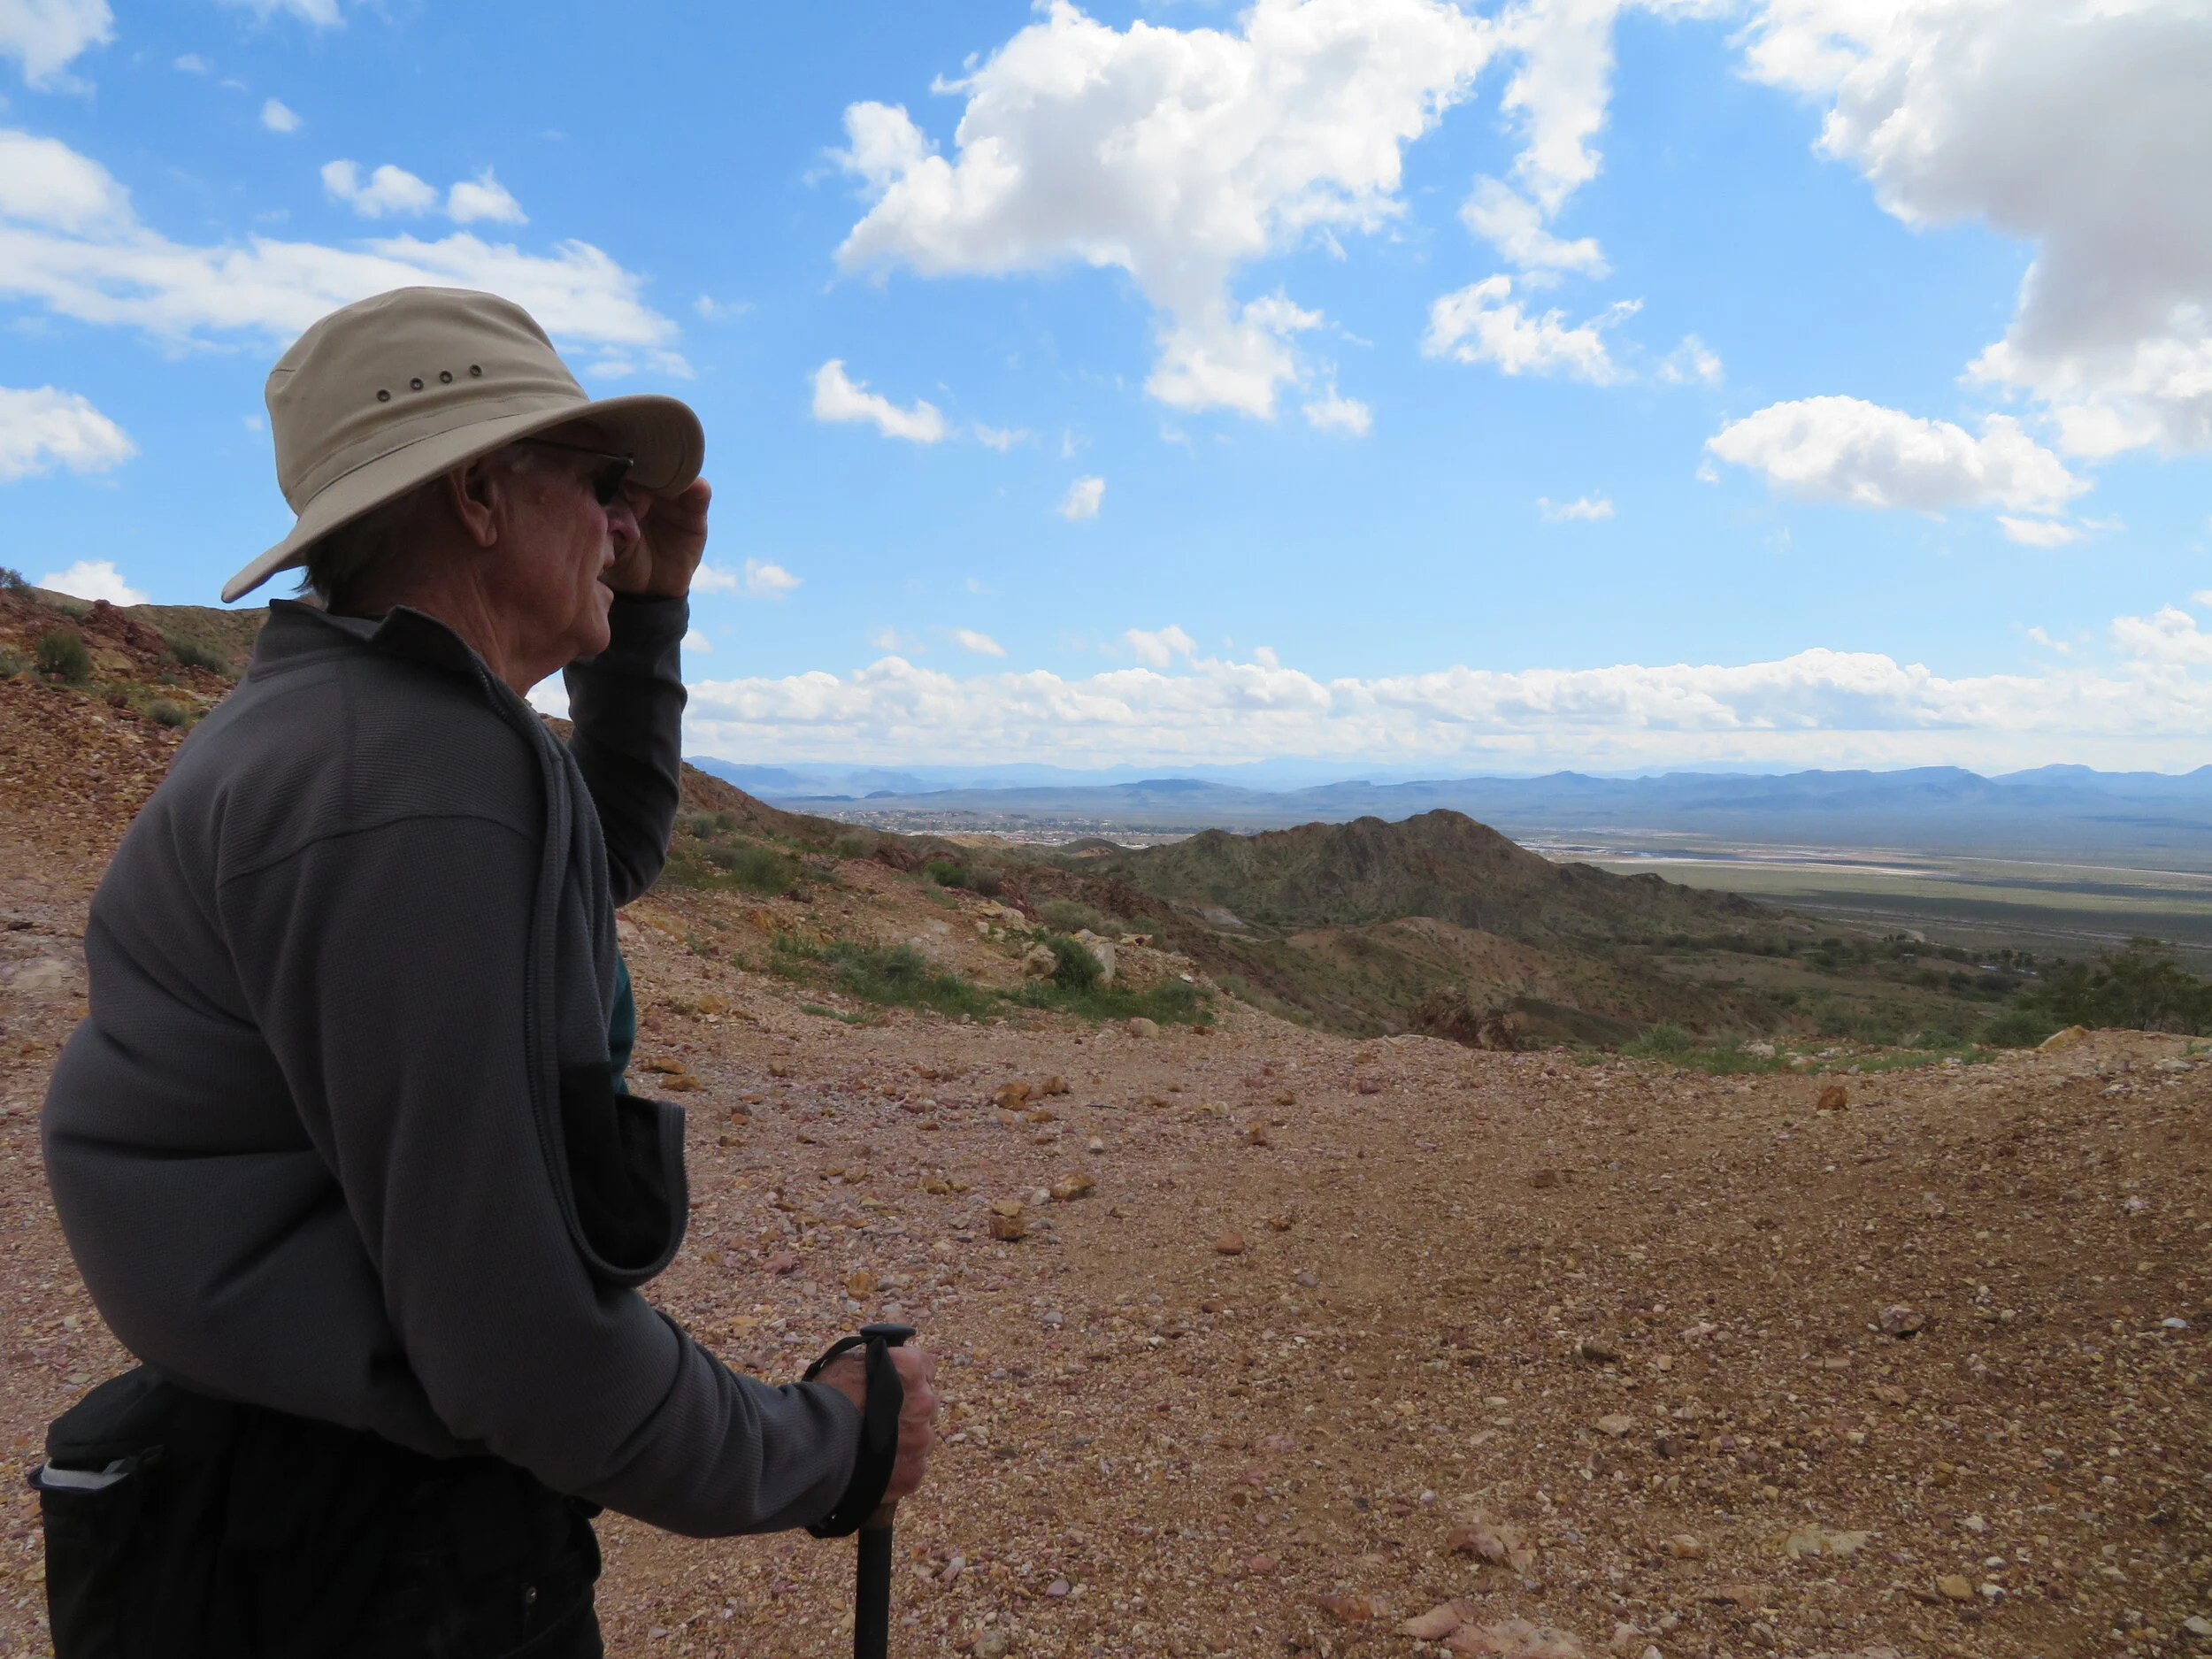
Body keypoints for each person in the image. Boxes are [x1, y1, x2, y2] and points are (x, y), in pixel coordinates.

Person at [36, 286, 935, 1657]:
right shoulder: (415, 779)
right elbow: (526, 1351)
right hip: (363, 1559)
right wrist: (827, 1446)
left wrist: (646, 615)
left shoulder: (366, 720)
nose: (626, 519)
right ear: (475, 495)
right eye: (597, 483)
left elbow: (597, 853)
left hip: (276, 1500)